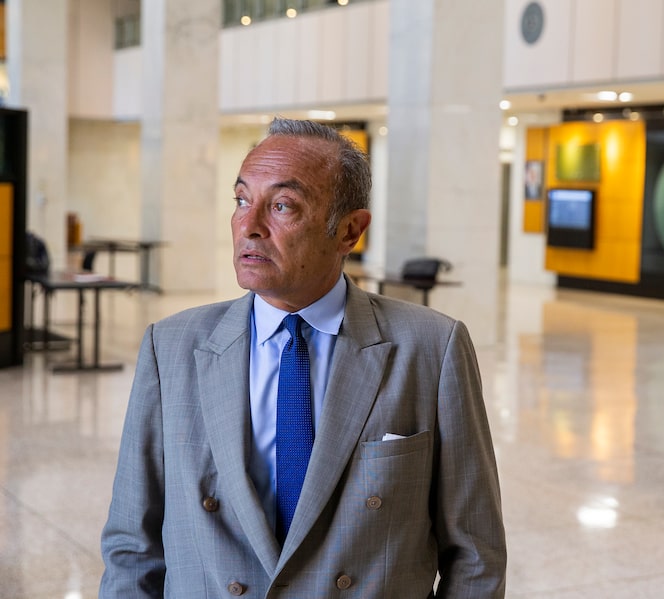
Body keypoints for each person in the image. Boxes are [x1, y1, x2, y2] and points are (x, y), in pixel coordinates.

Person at [100, 118, 507, 598]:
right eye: (241, 200)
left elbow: (475, 555)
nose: (249, 227)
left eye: (282, 205)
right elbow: (132, 547)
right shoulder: (170, 346)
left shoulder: (431, 348)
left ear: (350, 231)